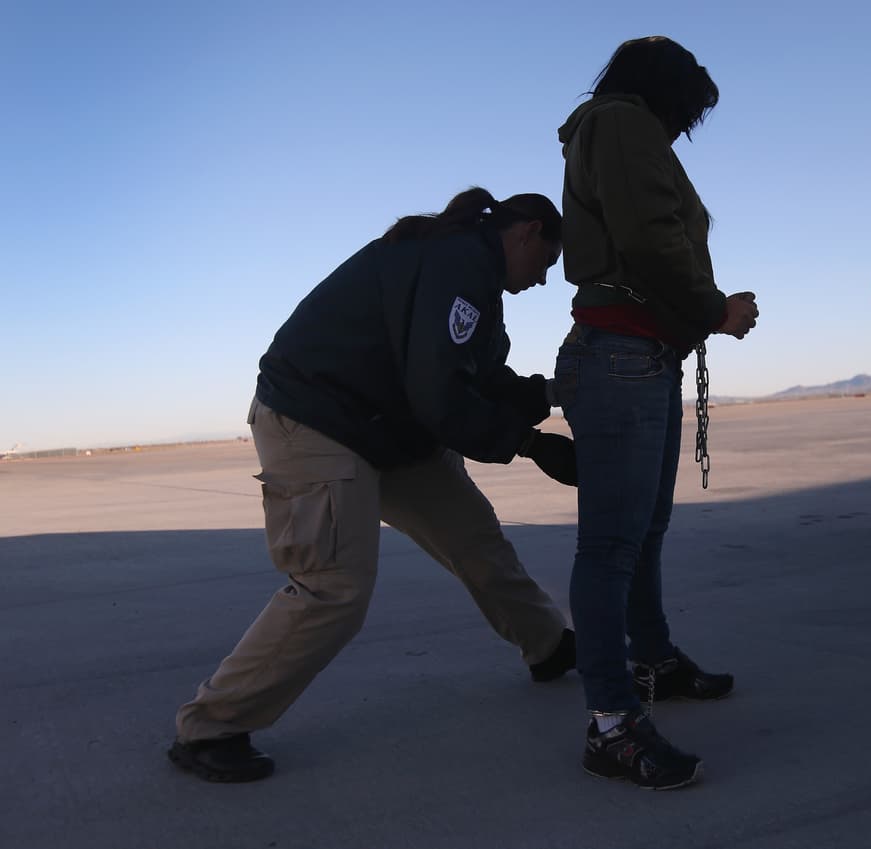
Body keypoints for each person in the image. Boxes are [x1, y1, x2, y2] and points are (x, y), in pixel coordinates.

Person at [168, 188, 580, 783]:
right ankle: (211, 726)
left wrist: (548, 394)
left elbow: (476, 376)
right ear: (527, 233)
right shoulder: (458, 263)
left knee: (474, 540)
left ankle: (548, 645)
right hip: (318, 422)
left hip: (389, 431)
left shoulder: (471, 281)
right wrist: (530, 444)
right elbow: (440, 393)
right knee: (333, 586)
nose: (543, 281)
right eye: (546, 262)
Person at [554, 36, 760, 790]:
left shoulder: (613, 128)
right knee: (612, 544)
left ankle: (653, 660)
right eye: (684, 115)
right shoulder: (623, 122)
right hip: (620, 355)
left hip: (639, 355)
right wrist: (715, 309)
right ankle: (610, 721)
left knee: (642, 532)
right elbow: (647, 236)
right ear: (664, 94)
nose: (681, 132)